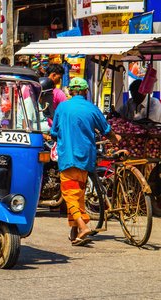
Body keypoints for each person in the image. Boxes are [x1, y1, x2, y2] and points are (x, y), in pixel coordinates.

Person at [50, 77, 121, 246]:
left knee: (70, 196)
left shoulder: (62, 107)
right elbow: (107, 131)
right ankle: (75, 233)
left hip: (68, 157)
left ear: (71, 91)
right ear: (85, 91)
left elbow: (54, 132)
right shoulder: (92, 108)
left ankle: (82, 227)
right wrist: (116, 139)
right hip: (86, 158)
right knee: (78, 194)